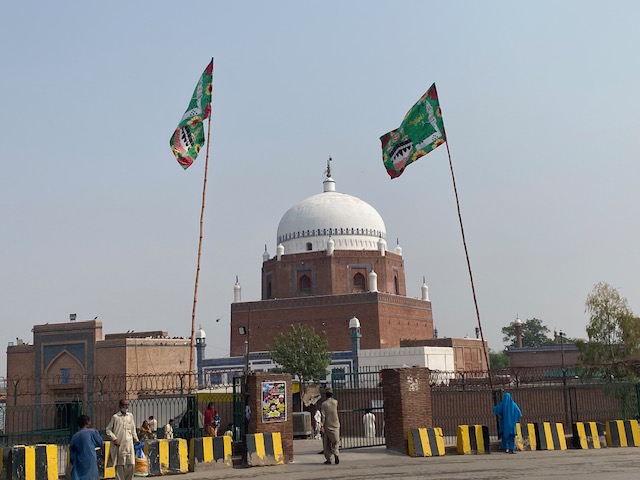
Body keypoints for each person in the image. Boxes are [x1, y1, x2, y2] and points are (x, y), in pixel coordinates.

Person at [106, 399, 140, 480]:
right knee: (120, 465)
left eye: (127, 405)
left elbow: (133, 429)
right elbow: (108, 430)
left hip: (129, 444)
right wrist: (114, 439)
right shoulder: (115, 417)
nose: (126, 407)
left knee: (131, 464)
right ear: (120, 406)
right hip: (119, 445)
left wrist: (136, 439)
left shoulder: (130, 416)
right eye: (124, 405)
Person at [70, 414, 103, 480]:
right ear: (87, 422)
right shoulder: (92, 432)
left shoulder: (75, 436)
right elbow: (100, 442)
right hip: (91, 461)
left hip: (79, 463)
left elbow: (72, 453)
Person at [320, 386, 340, 465]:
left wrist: (322, 426)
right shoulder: (335, 402)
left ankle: (328, 458)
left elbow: (323, 416)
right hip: (336, 424)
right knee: (336, 441)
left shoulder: (324, 404)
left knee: (326, 443)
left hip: (327, 425)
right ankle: (336, 452)